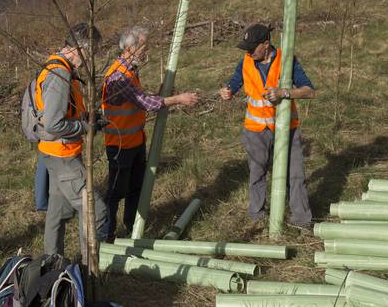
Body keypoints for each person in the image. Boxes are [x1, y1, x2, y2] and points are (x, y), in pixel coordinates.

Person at [101, 26, 199, 241]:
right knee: (116, 192)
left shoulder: (131, 71)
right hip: (119, 145)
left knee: (136, 187)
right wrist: (177, 99)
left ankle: (131, 228)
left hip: (135, 141)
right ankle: (106, 237)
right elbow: (145, 103)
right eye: (144, 47)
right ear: (130, 48)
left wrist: (161, 95)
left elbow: (138, 100)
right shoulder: (119, 75)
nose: (146, 52)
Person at [219, 23, 315, 228]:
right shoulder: (245, 61)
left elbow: (309, 90)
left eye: (252, 48)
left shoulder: (287, 60)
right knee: (257, 173)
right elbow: (234, 83)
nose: (248, 52)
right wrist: (227, 91)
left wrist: (284, 92)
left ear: (266, 44)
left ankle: (301, 221)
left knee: (296, 174)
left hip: (287, 129)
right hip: (255, 130)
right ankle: (257, 217)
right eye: (246, 48)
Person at [36, 23, 107, 257]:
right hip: (62, 155)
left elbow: (64, 112)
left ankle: (52, 261)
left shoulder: (60, 67)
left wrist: (88, 118)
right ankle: (88, 269)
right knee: (95, 211)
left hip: (56, 153)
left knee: (58, 211)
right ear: (79, 48)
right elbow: (55, 124)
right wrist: (87, 127)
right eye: (91, 51)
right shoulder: (60, 74)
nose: (91, 58)